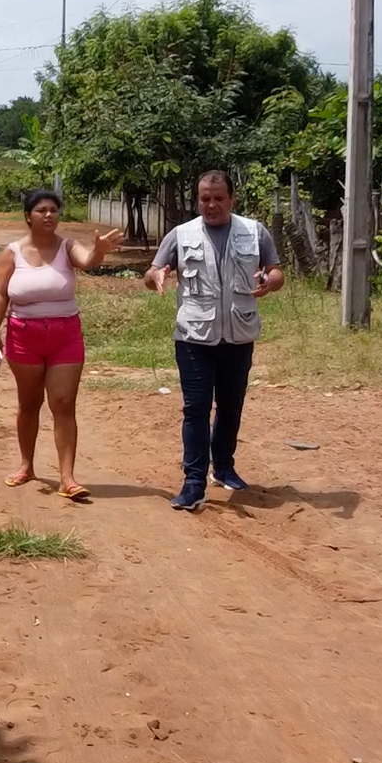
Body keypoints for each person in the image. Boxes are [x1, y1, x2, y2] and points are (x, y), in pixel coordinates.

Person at [144, 170, 285, 511]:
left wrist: (270, 281)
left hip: (239, 334)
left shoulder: (254, 232)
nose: (211, 205)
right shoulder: (181, 234)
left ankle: (223, 466)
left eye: (218, 198)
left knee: (231, 404)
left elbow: (276, 270)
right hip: (194, 337)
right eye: (205, 199)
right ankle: (194, 482)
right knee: (196, 409)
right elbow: (152, 272)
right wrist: (157, 276)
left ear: (232, 199)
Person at [0, 190, 124, 500]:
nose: (49, 215)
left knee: (63, 403)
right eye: (41, 210)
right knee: (29, 403)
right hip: (24, 336)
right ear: (28, 216)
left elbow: (87, 260)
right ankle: (26, 465)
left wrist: (99, 251)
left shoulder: (67, 247)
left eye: (53, 210)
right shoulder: (13, 253)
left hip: (65, 336)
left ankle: (68, 478)